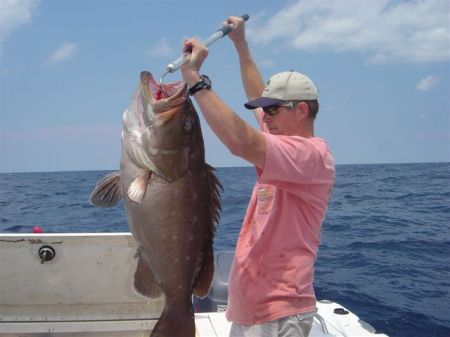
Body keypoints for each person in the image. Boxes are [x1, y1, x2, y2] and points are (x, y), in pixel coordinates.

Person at [181, 16, 336, 337]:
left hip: (278, 315)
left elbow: (240, 142)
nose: (265, 117)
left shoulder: (310, 156)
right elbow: (257, 90)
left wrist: (195, 80)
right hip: (253, 310)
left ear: (302, 110)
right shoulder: (284, 143)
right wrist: (241, 44)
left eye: (273, 110)